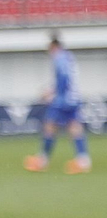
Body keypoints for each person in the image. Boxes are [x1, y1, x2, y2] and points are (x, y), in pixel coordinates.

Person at [24, 34, 91, 174]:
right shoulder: (68, 56)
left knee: (50, 125)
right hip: (73, 97)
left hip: (64, 99)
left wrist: (54, 94)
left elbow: (64, 78)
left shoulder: (59, 58)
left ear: (54, 46)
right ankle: (83, 160)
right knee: (74, 126)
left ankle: (42, 161)